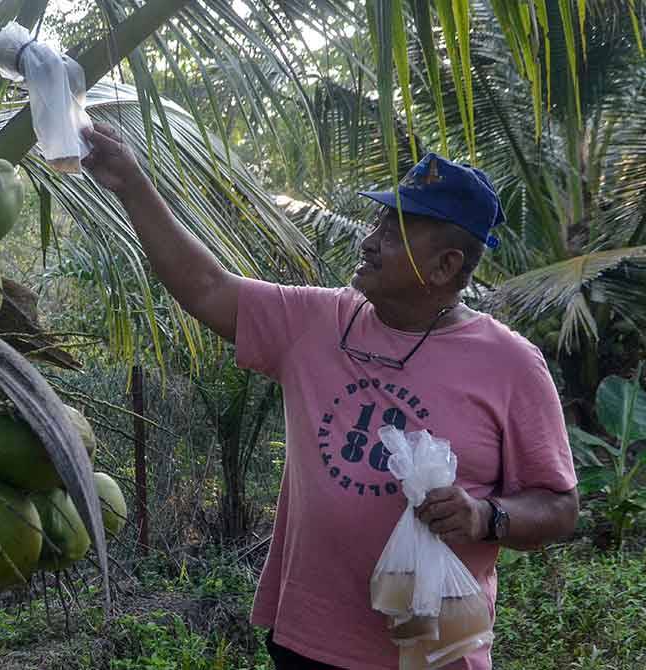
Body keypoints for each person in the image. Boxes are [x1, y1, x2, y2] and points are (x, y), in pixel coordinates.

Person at [80, 123, 579, 670]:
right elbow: (207, 288)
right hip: (308, 643)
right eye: (377, 222)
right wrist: (131, 184)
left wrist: (486, 518)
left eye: (393, 232)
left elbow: (557, 507)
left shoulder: (510, 365)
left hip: (432, 655)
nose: (369, 240)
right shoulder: (317, 321)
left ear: (445, 266)